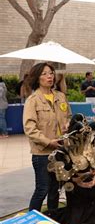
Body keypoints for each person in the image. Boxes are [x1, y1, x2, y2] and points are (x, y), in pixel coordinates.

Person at [23, 62, 71, 211]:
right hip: (42, 153)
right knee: (42, 189)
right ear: (38, 78)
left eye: (51, 73)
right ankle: (31, 220)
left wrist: (68, 123)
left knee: (55, 191)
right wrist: (48, 142)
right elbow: (29, 128)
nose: (49, 76)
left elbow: (68, 115)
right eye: (44, 74)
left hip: (60, 151)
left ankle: (53, 218)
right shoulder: (33, 100)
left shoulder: (61, 96)